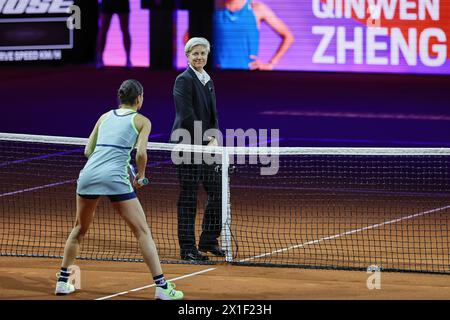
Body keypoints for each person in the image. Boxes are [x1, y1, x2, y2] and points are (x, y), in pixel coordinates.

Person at [54, 80, 183, 300]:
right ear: (139, 98)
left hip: (88, 175)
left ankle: (63, 282)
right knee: (142, 231)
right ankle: (162, 287)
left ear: (120, 97)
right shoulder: (142, 121)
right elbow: (141, 153)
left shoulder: (105, 116)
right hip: (114, 178)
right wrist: (141, 176)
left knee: (79, 229)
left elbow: (88, 150)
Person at [170, 37, 225, 262]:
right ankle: (188, 248)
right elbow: (186, 115)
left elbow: (213, 115)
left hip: (207, 145)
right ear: (188, 56)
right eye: (195, 54)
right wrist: (206, 140)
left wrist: (214, 138)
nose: (199, 57)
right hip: (187, 146)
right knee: (189, 198)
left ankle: (209, 240)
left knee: (218, 191)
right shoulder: (183, 80)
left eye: (203, 53)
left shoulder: (207, 79)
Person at [213, 0, 294, 70]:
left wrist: (271, 64)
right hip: (218, 77)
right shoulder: (215, 6)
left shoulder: (256, 9)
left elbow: (288, 36)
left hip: (248, 77)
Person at [96, 0, 132, 69]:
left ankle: (128, 59)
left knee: (125, 29)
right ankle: (100, 59)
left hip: (122, 2)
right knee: (103, 30)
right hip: (108, 2)